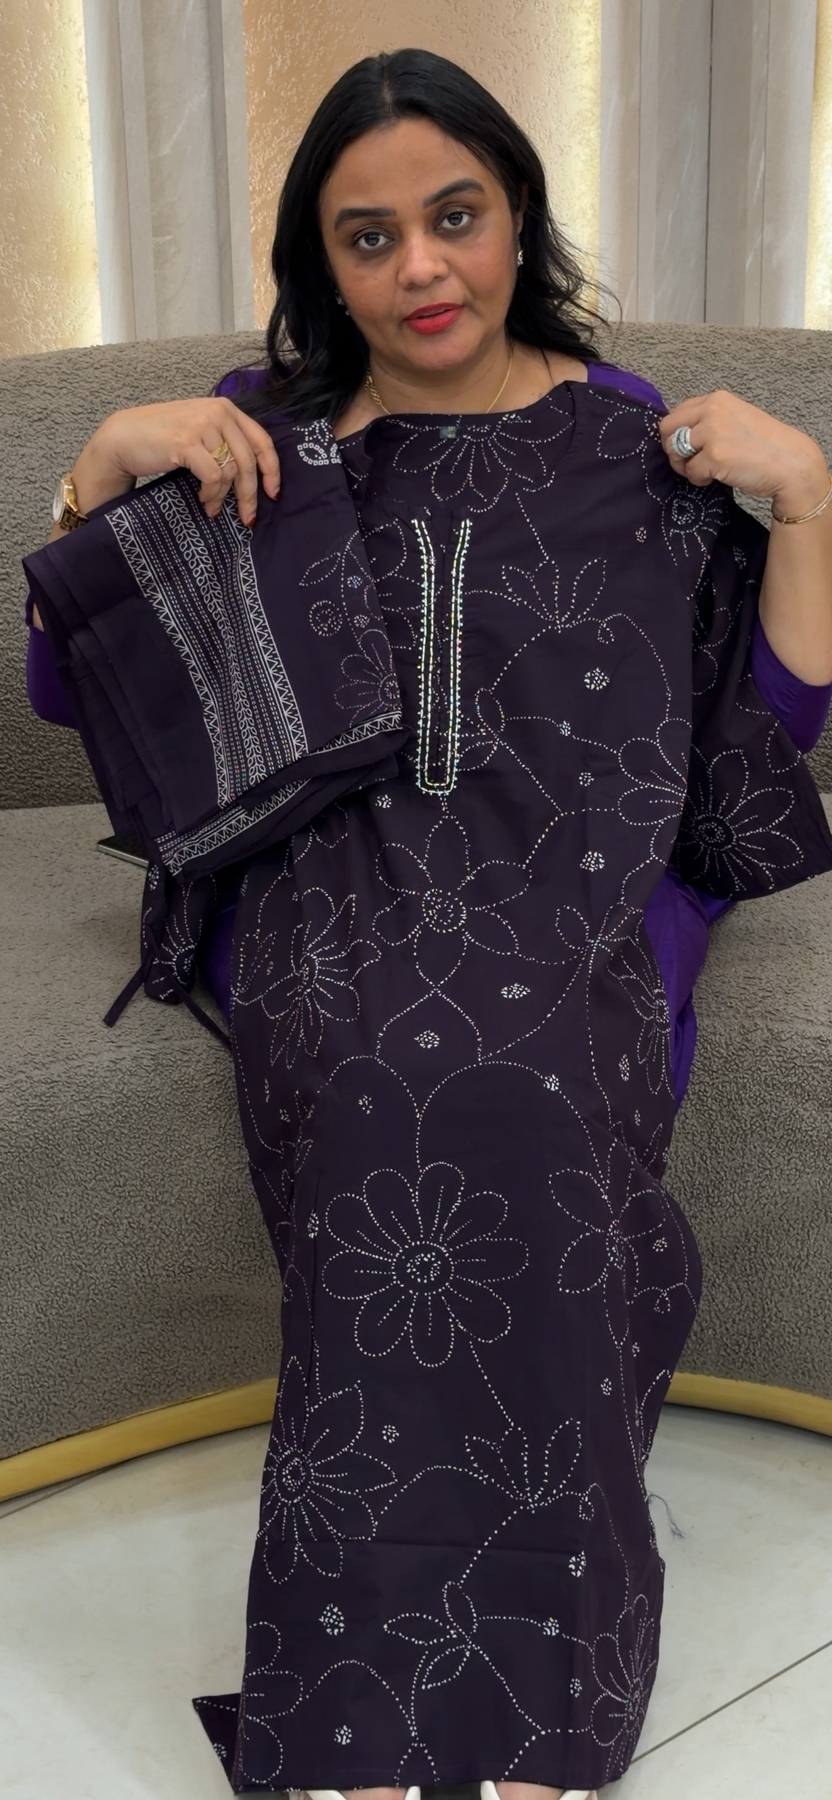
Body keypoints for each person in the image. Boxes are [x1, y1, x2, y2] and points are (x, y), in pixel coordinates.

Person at [23, 47, 832, 1800]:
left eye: (453, 216)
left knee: (525, 1071)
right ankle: (364, 1703)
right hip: (322, 885)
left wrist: (810, 501)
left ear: (517, 210)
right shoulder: (266, 437)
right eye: (369, 236)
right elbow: (81, 691)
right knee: (388, 1061)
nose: (422, 270)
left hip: (579, 885)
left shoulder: (639, 441)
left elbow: (758, 744)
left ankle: (530, 1700)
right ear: (326, 266)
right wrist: (99, 470)